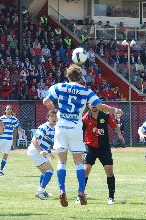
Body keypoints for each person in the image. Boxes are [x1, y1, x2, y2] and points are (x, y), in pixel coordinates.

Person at [42, 64, 123, 207]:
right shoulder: (86, 90)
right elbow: (100, 106)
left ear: (67, 75)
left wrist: (54, 109)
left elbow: (45, 101)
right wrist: (115, 109)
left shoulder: (59, 87)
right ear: (80, 77)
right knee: (79, 163)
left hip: (61, 127)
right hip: (75, 127)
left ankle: (62, 190)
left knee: (62, 162)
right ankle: (80, 191)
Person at [81, 104, 124, 205]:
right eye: (92, 104)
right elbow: (79, 130)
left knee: (109, 170)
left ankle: (111, 197)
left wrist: (119, 135)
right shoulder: (85, 118)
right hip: (90, 147)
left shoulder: (106, 116)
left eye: (96, 104)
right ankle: (81, 195)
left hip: (104, 147)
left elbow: (115, 126)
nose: (94, 106)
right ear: (89, 106)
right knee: (85, 170)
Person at [27, 110, 57, 200]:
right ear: (47, 118)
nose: (54, 118)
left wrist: (49, 152)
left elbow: (45, 143)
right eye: (51, 116)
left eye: (55, 116)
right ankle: (40, 190)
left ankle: (42, 191)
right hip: (35, 151)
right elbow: (34, 140)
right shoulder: (44, 127)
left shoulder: (55, 129)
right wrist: (40, 151)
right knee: (50, 170)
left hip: (37, 152)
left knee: (44, 172)